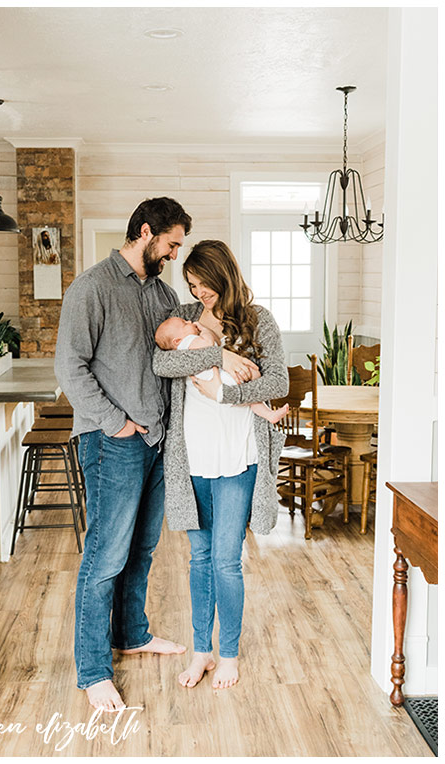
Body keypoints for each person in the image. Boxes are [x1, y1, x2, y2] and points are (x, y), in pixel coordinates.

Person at [55, 197, 259, 714]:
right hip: (113, 442)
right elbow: (70, 369)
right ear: (145, 232)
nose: (173, 255)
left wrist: (221, 352)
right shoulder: (92, 287)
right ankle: (94, 669)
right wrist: (115, 423)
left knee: (141, 550)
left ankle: (134, 634)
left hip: (158, 442)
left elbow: (182, 351)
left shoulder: (163, 293)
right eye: (170, 244)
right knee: (105, 557)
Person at [152, 240, 288, 690]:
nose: (198, 292)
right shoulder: (188, 321)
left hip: (238, 458)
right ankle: (202, 652)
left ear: (223, 275)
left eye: (203, 284)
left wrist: (227, 393)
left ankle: (228, 653)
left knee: (227, 561)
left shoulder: (257, 320)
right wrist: (218, 356)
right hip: (192, 458)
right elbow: (160, 361)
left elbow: (278, 381)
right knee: (199, 559)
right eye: (191, 285)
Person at [154, 317, 289, 424]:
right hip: (218, 380)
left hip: (219, 380)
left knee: (253, 395)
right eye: (184, 323)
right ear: (177, 341)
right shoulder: (187, 342)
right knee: (253, 374)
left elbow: (279, 383)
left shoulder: (187, 341)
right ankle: (267, 413)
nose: (189, 321)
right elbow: (210, 346)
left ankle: (268, 414)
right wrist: (204, 330)